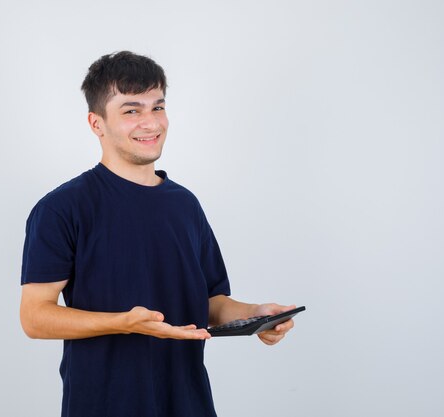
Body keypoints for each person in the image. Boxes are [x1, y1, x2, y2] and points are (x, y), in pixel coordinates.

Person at [20, 51, 296, 417]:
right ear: (96, 123)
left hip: (188, 402)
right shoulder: (63, 208)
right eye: (131, 110)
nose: (151, 123)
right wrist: (123, 323)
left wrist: (255, 314)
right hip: (104, 405)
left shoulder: (185, 204)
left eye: (158, 107)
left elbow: (212, 302)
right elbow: (34, 317)